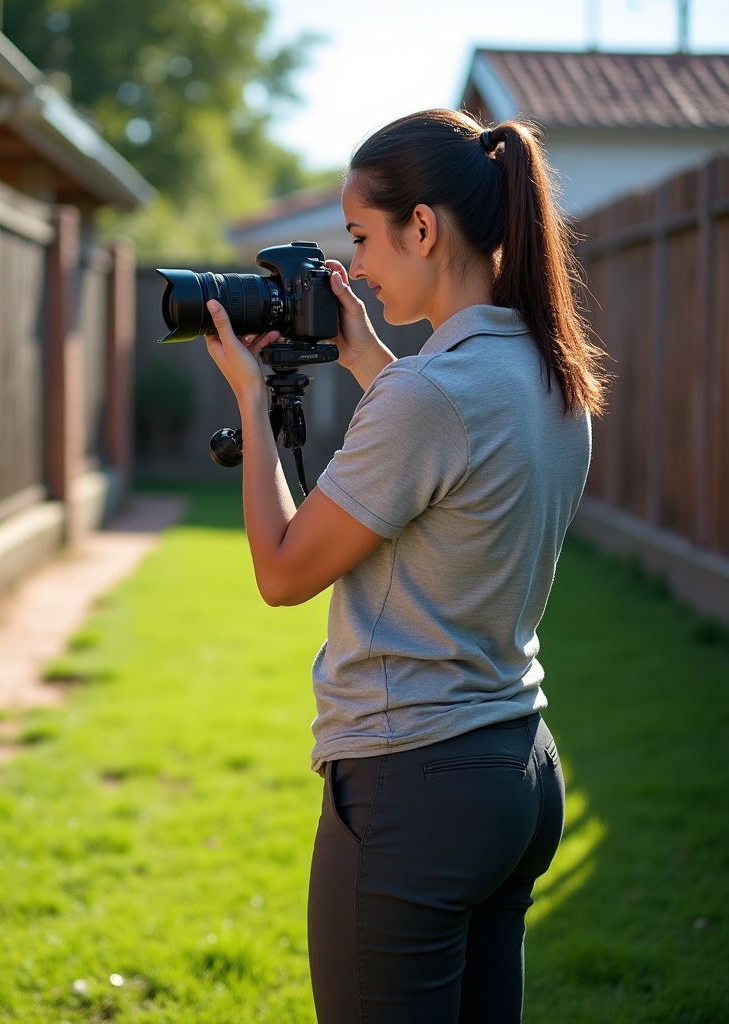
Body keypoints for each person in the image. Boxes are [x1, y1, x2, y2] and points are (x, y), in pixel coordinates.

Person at [203, 109, 607, 1024]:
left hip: (412, 784)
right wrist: (367, 356)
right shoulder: (552, 378)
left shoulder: (430, 396)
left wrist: (254, 404)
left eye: (360, 238)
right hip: (516, 769)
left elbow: (281, 573)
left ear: (423, 227)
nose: (357, 267)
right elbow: (449, 456)